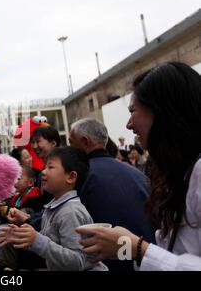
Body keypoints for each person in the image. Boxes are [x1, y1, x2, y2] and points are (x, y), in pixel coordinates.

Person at [77, 62, 201, 270]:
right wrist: (125, 249)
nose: (128, 124)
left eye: (133, 111)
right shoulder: (178, 172)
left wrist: (136, 248)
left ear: (163, 111)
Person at [0, 147, 107, 271]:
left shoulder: (70, 212)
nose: (43, 172)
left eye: (50, 167)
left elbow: (78, 262)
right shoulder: (55, 207)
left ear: (71, 177)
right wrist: (26, 237)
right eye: (44, 167)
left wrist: (36, 240)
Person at [69, 118, 155, 271]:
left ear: (84, 141)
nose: (69, 150)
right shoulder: (137, 174)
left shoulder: (80, 176)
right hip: (148, 259)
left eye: (71, 143)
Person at [0, 165, 42, 253]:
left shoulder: (33, 197)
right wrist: (1, 206)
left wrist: (4, 210)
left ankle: (3, 259)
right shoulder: (18, 196)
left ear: (31, 182)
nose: (15, 182)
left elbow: (19, 213)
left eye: (18, 179)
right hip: (14, 223)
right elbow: (9, 208)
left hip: (26, 227)